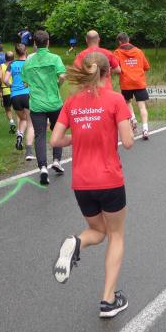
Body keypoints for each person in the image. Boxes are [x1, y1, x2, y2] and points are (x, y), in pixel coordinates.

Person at [50, 51, 134, 318]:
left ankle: (76, 242)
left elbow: (55, 140)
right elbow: (128, 142)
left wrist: (75, 138)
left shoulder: (72, 102)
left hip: (82, 183)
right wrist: (128, 126)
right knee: (116, 235)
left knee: (97, 231)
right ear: (107, 73)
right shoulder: (116, 99)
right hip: (109, 179)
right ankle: (108, 300)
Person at [22, 30, 66, 185]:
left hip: (37, 104)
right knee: (58, 131)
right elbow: (62, 76)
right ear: (48, 42)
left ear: (34, 43)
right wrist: (57, 86)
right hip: (54, 102)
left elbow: (25, 82)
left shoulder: (28, 62)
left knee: (40, 135)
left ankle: (42, 168)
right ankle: (56, 160)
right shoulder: (55, 58)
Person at [114, 32, 151, 139]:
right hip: (139, 82)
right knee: (142, 106)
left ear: (119, 42)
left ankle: (133, 119)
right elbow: (146, 67)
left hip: (126, 83)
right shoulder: (138, 51)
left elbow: (116, 68)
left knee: (127, 102)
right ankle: (145, 129)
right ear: (128, 39)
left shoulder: (117, 52)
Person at [4, 43, 36, 159]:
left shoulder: (12, 64)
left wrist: (12, 86)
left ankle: (20, 135)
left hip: (15, 96)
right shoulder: (29, 63)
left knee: (22, 119)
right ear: (26, 51)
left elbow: (5, 80)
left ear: (16, 53)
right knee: (30, 123)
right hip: (27, 94)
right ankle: (29, 152)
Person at [0, 48, 15, 133]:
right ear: (13, 58)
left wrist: (1, 85)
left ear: (5, 58)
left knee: (8, 109)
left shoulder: (1, 66)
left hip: (6, 90)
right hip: (15, 90)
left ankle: (11, 122)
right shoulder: (15, 65)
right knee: (18, 109)